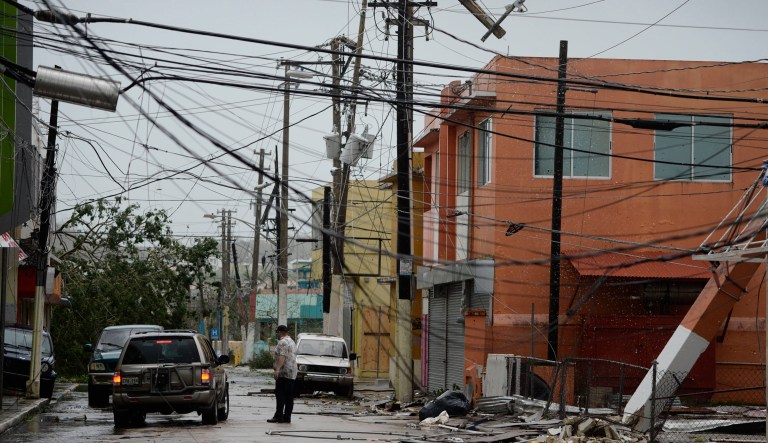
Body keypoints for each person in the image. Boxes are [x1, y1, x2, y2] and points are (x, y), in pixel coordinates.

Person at [268, 324, 297, 424]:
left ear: (280, 332)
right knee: (289, 396)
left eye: (277, 332)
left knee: (280, 395)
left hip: (284, 373)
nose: (277, 334)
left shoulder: (282, 342)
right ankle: (287, 417)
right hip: (292, 373)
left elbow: (282, 356)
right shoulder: (292, 341)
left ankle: (279, 416)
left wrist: (277, 370)